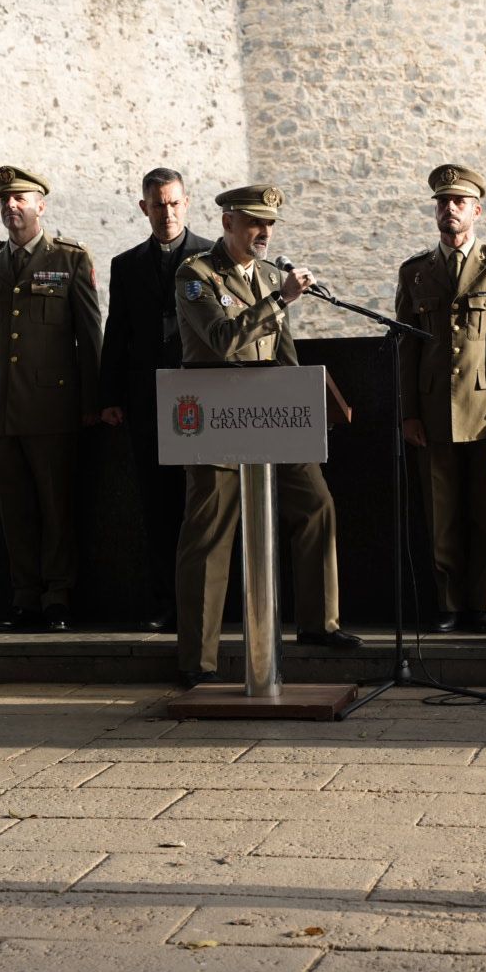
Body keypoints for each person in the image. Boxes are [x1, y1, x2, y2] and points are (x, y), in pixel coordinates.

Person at [172, 184, 362, 686]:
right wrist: (279, 299)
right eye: (255, 222)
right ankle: (198, 660)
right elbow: (221, 341)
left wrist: (308, 407)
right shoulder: (196, 275)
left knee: (316, 503)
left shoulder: (269, 275)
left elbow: (283, 348)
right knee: (209, 534)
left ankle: (320, 624)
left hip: (274, 415)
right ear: (228, 222)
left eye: (271, 224)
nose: (265, 232)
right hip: (217, 417)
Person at [0, 165, 103, 633]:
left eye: (20, 199)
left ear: (41, 205)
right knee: (14, 508)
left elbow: (90, 337)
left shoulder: (70, 259)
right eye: (4, 200)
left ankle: (58, 596)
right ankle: (24, 595)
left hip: (51, 408)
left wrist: (92, 401)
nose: (11, 206)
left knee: (55, 507)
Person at [395, 164, 486, 634]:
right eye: (442, 202)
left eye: (458, 202)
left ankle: (484, 605)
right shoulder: (415, 272)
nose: (449, 209)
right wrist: (407, 412)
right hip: (434, 406)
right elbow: (406, 345)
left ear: (476, 210)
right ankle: (447, 603)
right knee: (440, 510)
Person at [99, 168, 212, 631]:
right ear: (144, 207)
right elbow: (117, 333)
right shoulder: (126, 265)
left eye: (174, 203)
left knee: (205, 506)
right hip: (148, 401)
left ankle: (209, 602)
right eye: (157, 204)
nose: (166, 212)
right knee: (158, 506)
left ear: (186, 203)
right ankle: (167, 603)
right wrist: (108, 395)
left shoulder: (211, 255)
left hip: (205, 399)